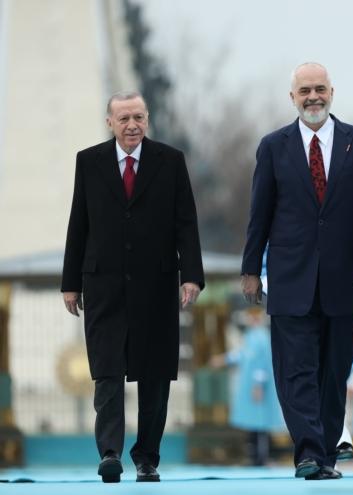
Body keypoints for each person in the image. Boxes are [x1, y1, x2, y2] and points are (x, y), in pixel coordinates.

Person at [241, 62, 353, 480]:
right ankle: (307, 452)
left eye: (319, 89)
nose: (312, 97)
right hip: (290, 278)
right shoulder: (273, 146)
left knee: (335, 369)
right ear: (292, 98)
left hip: (346, 278)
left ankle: (324, 452)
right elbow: (259, 212)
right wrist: (251, 268)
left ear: (332, 92)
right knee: (296, 369)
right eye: (304, 91)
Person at [61, 91, 204, 483]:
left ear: (147, 118)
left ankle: (147, 457)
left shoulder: (170, 161)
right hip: (103, 284)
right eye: (123, 118)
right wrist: (70, 283)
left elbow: (186, 221)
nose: (132, 125)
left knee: (155, 374)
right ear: (110, 122)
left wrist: (191, 274)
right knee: (107, 371)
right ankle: (110, 453)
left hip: (156, 284)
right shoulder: (88, 162)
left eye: (138, 117)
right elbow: (79, 223)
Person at [211, 307, 285, 465]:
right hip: (249, 385)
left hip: (258, 387)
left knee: (260, 423)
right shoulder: (251, 336)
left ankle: (261, 457)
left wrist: (258, 384)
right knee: (253, 421)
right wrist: (223, 360)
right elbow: (242, 355)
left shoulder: (263, 338)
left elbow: (263, 363)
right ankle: (254, 455)